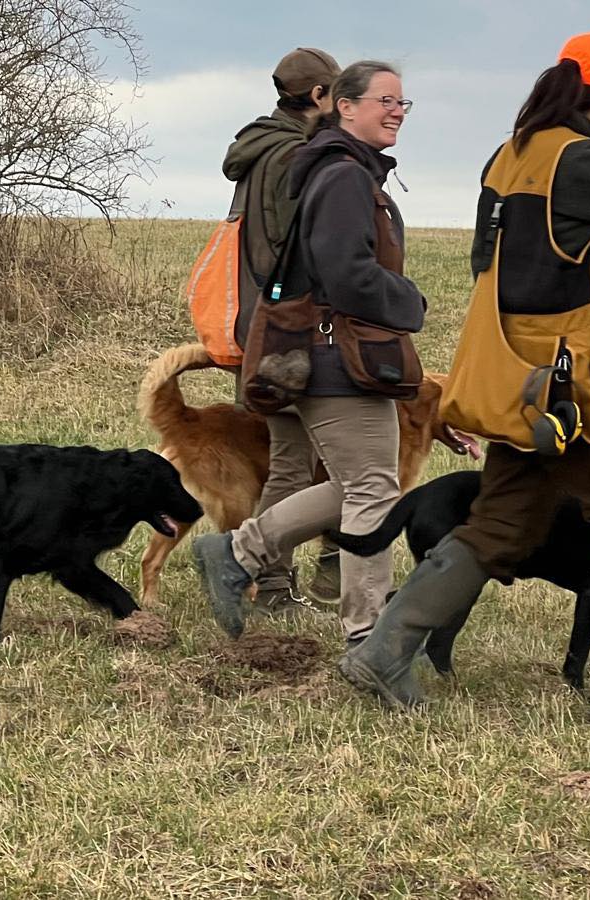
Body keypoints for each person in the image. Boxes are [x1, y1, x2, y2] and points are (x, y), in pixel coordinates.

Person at [338, 32, 590, 722]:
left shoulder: (507, 158)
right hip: (578, 379)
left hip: (516, 371)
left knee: (502, 522)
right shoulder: (580, 160)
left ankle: (382, 652)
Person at [194, 60, 426, 648]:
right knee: (372, 490)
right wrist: (408, 301)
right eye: (385, 100)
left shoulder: (337, 168)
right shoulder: (344, 175)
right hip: (338, 353)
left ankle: (237, 552)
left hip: (324, 350)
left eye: (403, 102)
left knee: (359, 485)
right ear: (343, 105)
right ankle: (368, 639)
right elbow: (345, 275)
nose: (398, 110)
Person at [222, 47, 343, 617]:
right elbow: (293, 253)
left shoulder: (259, 150)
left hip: (263, 326)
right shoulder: (297, 155)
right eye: (338, 94)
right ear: (318, 97)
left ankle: (276, 583)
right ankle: (270, 579)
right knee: (315, 464)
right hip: (292, 330)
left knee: (297, 460)